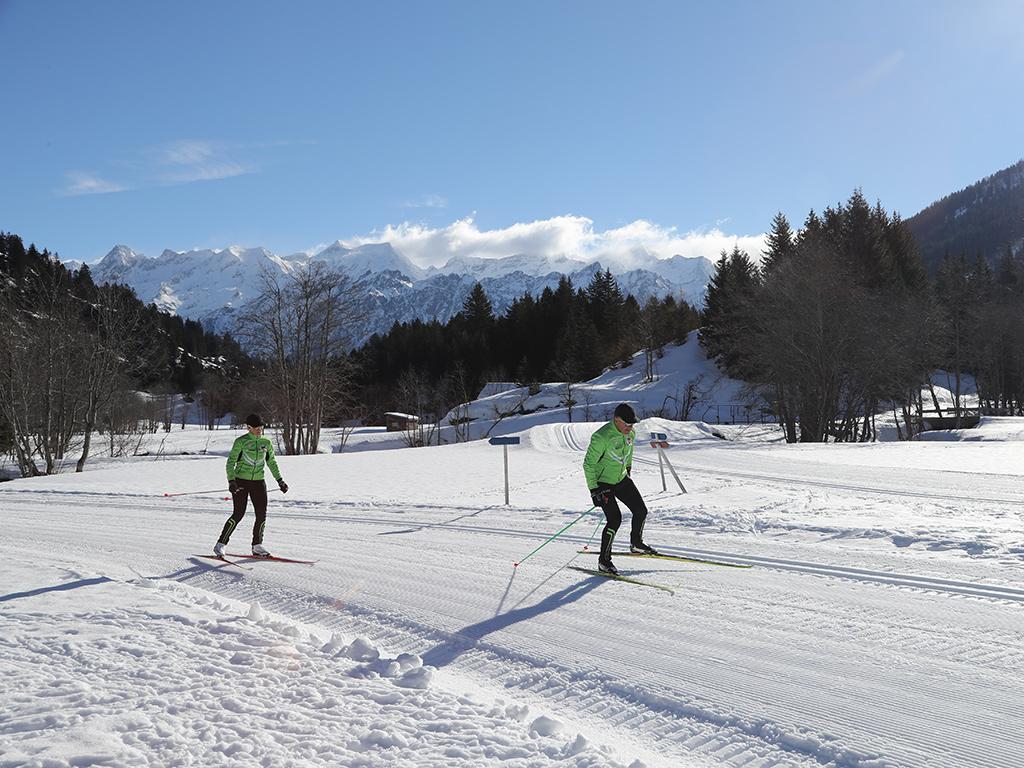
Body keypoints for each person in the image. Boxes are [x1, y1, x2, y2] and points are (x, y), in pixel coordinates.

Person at [583, 403, 657, 575]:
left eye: (632, 424)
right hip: (603, 483)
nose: (630, 428)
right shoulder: (601, 437)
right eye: (627, 424)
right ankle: (604, 561)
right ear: (617, 420)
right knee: (614, 520)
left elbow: (629, 452)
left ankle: (636, 544)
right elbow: (588, 464)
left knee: (641, 510)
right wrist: (594, 490)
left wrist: (628, 468)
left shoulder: (630, 433)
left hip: (621, 478)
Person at [214, 413, 288, 558]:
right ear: (249, 428)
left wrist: (280, 480)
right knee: (238, 514)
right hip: (241, 481)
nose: (259, 429)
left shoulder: (266, 443)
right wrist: (231, 481)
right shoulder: (241, 442)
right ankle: (220, 544)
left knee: (261, 515)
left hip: (259, 482)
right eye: (256, 427)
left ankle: (257, 546)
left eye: (261, 426)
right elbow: (230, 462)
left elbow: (271, 462)